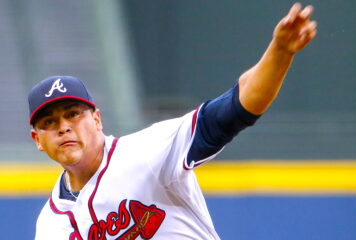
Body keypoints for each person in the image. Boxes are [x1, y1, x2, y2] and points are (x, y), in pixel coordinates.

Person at [29, 3, 317, 240]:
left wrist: (279, 52)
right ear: (37, 140)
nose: (64, 126)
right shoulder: (51, 225)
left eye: (72, 114)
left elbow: (233, 110)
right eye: (49, 122)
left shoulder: (148, 151)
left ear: (96, 119)